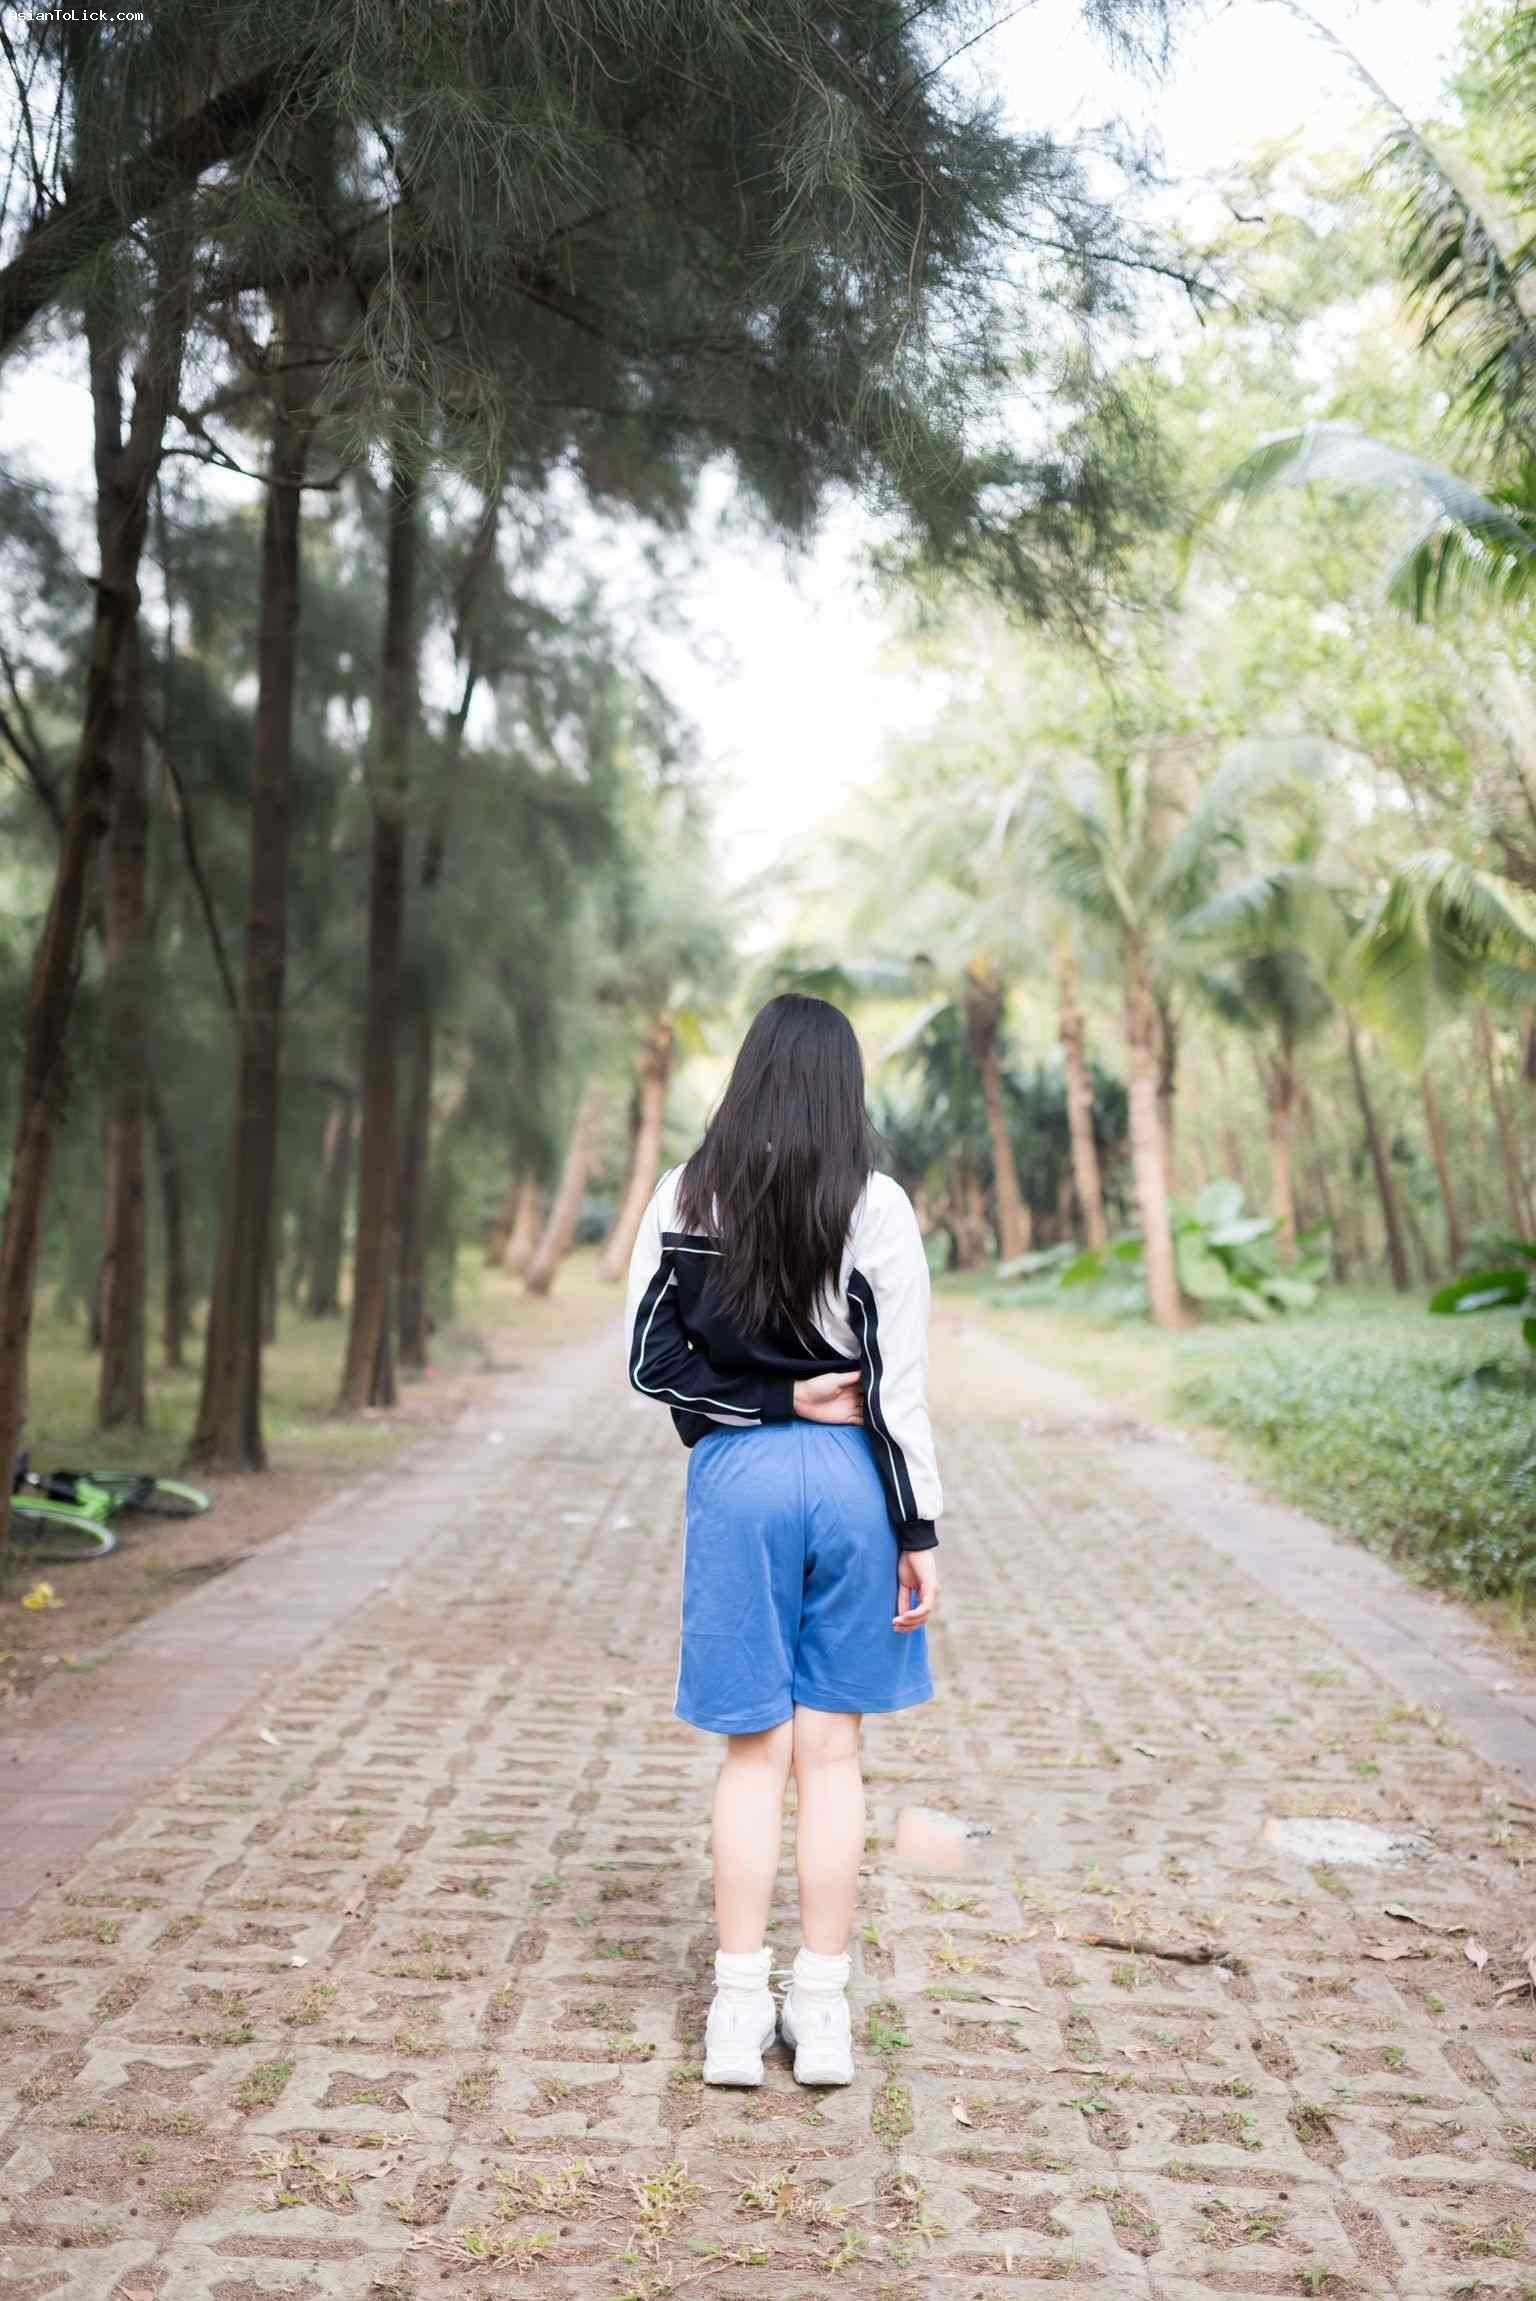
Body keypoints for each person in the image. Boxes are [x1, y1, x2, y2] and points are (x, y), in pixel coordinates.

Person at [625, 992, 941, 2089]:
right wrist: (918, 1527)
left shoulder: (687, 1192)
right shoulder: (877, 1204)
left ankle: (735, 2010)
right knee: (833, 1754)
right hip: (855, 1483)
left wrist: (764, 1402)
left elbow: (650, 1361)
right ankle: (823, 2009)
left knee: (752, 1754)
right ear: (844, 1088)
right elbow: (897, 1387)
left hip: (738, 1482)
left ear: (750, 1075)